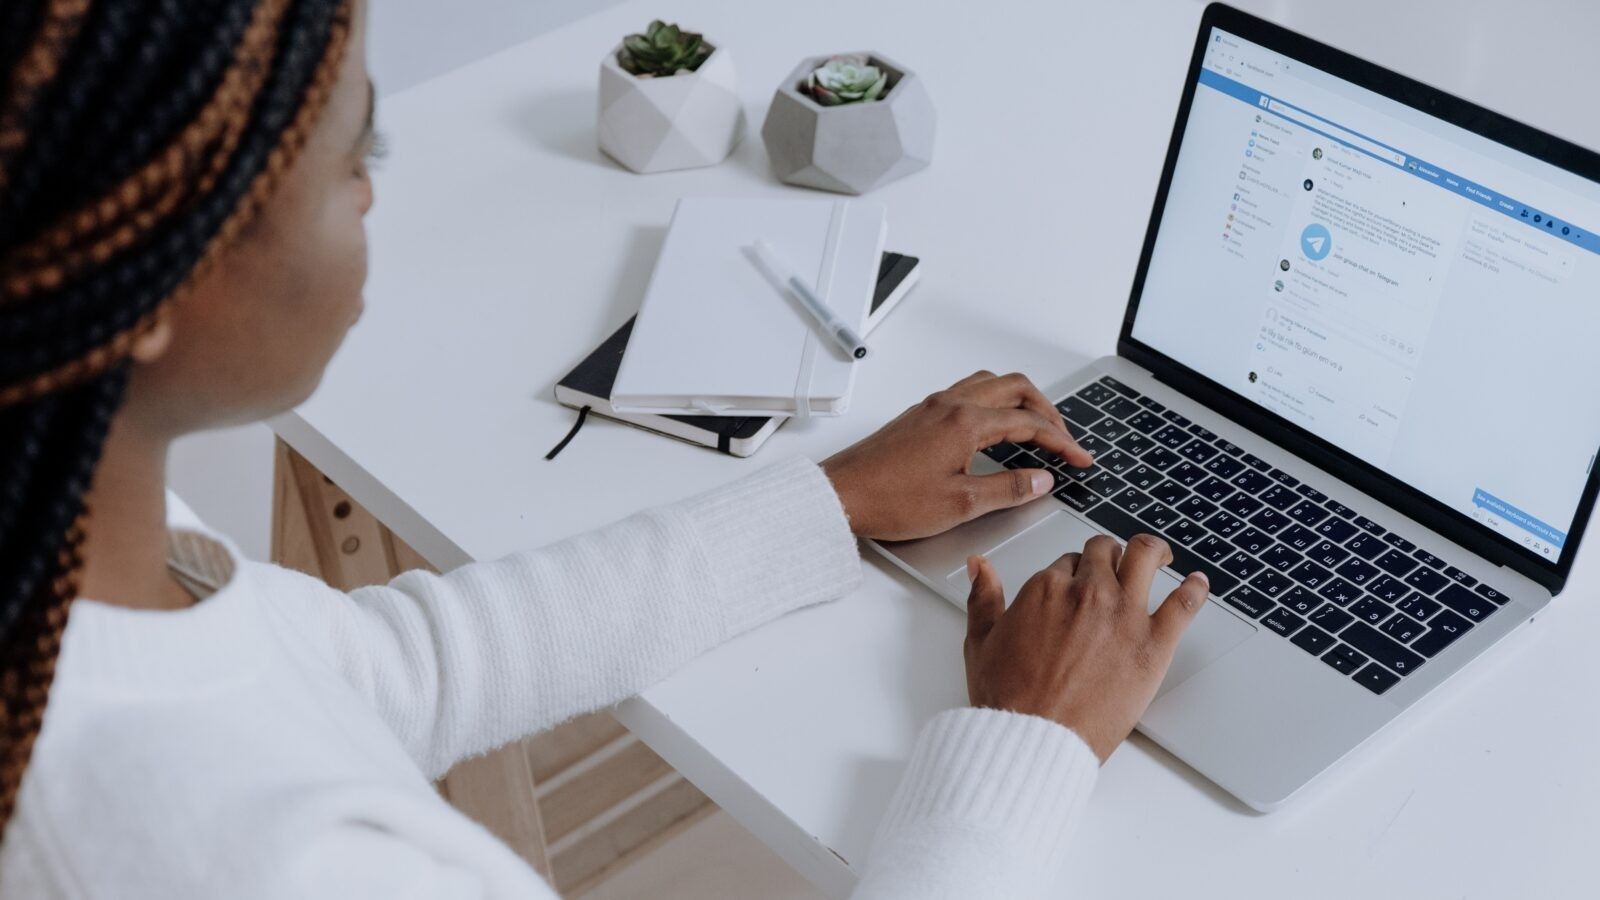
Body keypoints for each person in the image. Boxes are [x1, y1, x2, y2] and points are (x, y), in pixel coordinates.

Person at [0, 1, 1209, 897]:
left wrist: (829, 500)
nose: (372, 196)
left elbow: (383, 666)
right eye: (349, 158)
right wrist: (1027, 746)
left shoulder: (64, 538)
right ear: (133, 280)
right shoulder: (265, 863)